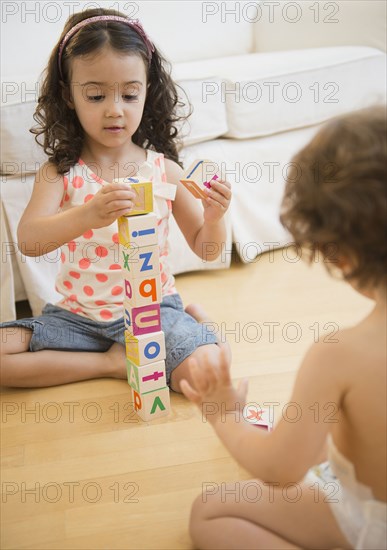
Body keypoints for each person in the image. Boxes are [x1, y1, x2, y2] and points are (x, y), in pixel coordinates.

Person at [181, 106, 387, 549]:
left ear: (340, 255)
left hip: (373, 527)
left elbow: (281, 469)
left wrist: (225, 415)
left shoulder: (338, 356)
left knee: (211, 512)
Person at [0, 8, 231, 390]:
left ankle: (194, 320)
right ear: (68, 96)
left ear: (147, 92)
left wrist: (216, 215)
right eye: (95, 94)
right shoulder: (59, 172)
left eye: (129, 93)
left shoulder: (164, 170)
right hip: (77, 317)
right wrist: (88, 214)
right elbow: (30, 240)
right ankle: (111, 363)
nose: (115, 109)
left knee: (211, 375)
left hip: (153, 313)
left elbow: (207, 250)